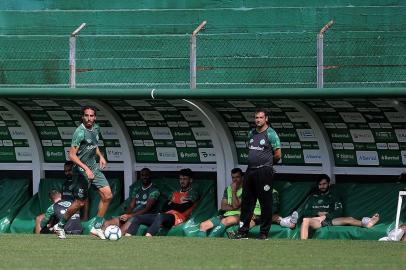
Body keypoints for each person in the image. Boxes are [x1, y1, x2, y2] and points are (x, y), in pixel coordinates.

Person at [53, 106, 112, 239]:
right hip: (81, 171)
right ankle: (60, 225)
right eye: (86, 115)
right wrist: (86, 169)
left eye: (91, 116)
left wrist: (101, 156)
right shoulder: (79, 132)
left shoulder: (96, 128)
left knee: (107, 196)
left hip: (94, 168)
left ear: (95, 117)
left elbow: (94, 145)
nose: (89, 118)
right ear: (82, 117)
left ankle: (96, 227)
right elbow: (72, 156)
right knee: (80, 203)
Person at [231, 108, 281, 240]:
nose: (258, 120)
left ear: (266, 119)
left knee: (265, 202)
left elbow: (278, 155)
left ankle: (263, 233)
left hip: (264, 171)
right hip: (250, 170)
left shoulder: (271, 134)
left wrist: (268, 165)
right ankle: (242, 231)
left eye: (261, 117)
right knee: (247, 202)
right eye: (256, 118)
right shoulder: (251, 133)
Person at [300, 174, 380, 240]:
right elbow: (305, 212)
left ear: (329, 184)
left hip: (330, 219)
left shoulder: (334, 196)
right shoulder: (313, 197)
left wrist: (325, 216)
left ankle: (368, 224)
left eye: (324, 184)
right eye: (320, 184)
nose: (322, 186)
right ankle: (304, 243)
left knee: (349, 219)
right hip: (316, 220)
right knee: (306, 220)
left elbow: (338, 211)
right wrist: (317, 213)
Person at [125, 168, 199, 237]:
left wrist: (171, 204)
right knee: (138, 218)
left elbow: (183, 208)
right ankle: (127, 238)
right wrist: (176, 205)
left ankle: (147, 238)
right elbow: (165, 206)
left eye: (185, 179)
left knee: (160, 216)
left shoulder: (192, 193)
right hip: (165, 216)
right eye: (181, 179)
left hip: (178, 218)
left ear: (191, 180)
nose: (182, 181)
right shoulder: (175, 193)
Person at [34, 161, 88, 234]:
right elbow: (62, 200)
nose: (67, 173)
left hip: (73, 212)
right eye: (65, 171)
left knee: (42, 220)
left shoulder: (79, 183)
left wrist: (85, 217)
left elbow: (85, 200)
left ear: (75, 170)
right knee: (39, 218)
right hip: (62, 210)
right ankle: (39, 240)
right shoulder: (65, 184)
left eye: (69, 170)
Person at [102, 168, 160, 234]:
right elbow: (131, 206)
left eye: (147, 175)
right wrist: (125, 215)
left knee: (121, 230)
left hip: (143, 217)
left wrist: (130, 216)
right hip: (132, 214)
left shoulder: (154, 191)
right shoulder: (137, 189)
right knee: (106, 224)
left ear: (150, 176)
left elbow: (146, 209)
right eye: (142, 175)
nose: (144, 177)